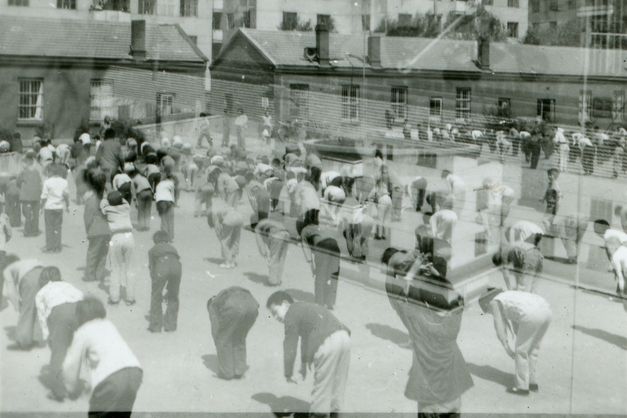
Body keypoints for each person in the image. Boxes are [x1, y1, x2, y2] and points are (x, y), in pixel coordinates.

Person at [266, 291, 351, 417]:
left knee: (322, 385)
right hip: (344, 337)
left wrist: (288, 372)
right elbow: (306, 340)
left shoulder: (291, 313)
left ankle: (318, 414)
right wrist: (304, 364)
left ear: (285, 304)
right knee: (338, 382)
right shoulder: (306, 308)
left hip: (327, 343)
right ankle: (335, 413)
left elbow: (290, 343)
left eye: (275, 312)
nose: (275, 317)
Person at [62, 297, 143, 417]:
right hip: (134, 372)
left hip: (111, 380)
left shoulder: (83, 331)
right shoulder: (108, 324)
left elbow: (71, 364)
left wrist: (70, 388)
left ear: (80, 316)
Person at [479, 288, 552, 395]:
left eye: (487, 311)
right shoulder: (508, 296)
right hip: (546, 310)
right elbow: (517, 320)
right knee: (533, 348)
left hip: (532, 313)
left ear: (486, 303)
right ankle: (532, 382)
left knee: (521, 351)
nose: (490, 313)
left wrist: (507, 347)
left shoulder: (494, 302)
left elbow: (499, 326)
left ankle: (522, 387)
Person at [35, 267, 83, 401]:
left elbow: (42, 317)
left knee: (58, 353)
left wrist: (47, 336)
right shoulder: (67, 284)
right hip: (79, 311)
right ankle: (73, 387)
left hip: (60, 313)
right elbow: (81, 296)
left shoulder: (41, 292)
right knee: (75, 351)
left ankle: (59, 391)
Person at [207, 287, 259, 380]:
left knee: (223, 338)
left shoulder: (212, 305)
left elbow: (217, 332)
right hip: (252, 306)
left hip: (235, 307)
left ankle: (226, 372)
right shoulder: (227, 293)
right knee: (240, 337)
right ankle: (239, 370)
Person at [100, 191, 135, 305]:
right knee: (130, 268)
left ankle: (114, 297)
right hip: (129, 236)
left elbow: (102, 203)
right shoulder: (126, 207)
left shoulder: (108, 209)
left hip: (116, 237)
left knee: (115, 268)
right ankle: (130, 297)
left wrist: (107, 198)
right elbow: (124, 200)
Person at [2, 258, 45, 349]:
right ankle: (38, 338)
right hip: (45, 273)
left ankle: (24, 342)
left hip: (30, 278)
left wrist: (17, 306)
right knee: (40, 308)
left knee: (27, 311)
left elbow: (10, 292)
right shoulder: (26, 262)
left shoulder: (7, 270)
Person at [299, 223, 341, 310]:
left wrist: (312, 267)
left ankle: (319, 302)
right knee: (333, 275)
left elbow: (306, 249)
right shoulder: (320, 226)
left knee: (320, 276)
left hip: (322, 246)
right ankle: (330, 302)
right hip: (335, 246)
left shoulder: (304, 230)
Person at [147, 231, 182, 332]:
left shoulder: (152, 250)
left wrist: (156, 285)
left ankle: (156, 326)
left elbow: (152, 269)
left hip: (161, 267)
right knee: (173, 296)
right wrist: (168, 288)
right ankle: (171, 325)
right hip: (177, 268)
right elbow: (175, 261)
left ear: (155, 240)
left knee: (156, 296)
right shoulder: (173, 248)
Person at [82, 169, 111, 284]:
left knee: (92, 253)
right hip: (107, 230)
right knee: (103, 253)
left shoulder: (91, 200)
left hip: (95, 230)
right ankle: (99, 274)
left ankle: (90, 275)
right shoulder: (106, 199)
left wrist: (88, 230)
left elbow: (87, 218)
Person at [40, 163, 70, 253]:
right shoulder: (64, 182)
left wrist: (41, 207)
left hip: (49, 207)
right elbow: (66, 195)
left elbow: (44, 196)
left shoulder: (47, 182)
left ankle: (49, 247)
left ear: (50, 171)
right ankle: (57, 247)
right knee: (58, 227)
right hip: (59, 207)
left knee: (49, 227)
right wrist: (67, 206)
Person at [208, 197, 244, 269]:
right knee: (235, 240)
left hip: (230, 219)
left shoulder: (213, 212)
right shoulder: (223, 205)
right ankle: (233, 262)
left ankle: (227, 262)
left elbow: (217, 227)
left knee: (224, 241)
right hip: (239, 218)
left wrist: (220, 237)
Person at [254, 219, 290, 286]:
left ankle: (273, 281)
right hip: (286, 234)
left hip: (277, 234)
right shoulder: (269, 221)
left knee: (274, 258)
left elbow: (260, 243)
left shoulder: (257, 228)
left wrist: (263, 252)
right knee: (281, 258)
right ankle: (278, 279)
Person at [17, 150, 43, 237]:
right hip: (36, 196)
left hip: (26, 196)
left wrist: (23, 189)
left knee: (27, 214)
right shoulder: (37, 171)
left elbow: (18, 182)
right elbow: (40, 183)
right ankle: (35, 231)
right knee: (35, 214)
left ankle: (27, 231)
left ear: (27, 162)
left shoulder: (23, 172)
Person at [605, 237, 627, 312]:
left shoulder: (616, 256)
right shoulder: (623, 249)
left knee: (622, 279)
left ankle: (621, 296)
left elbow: (620, 276)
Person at [155, 165, 177, 241]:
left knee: (163, 220)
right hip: (169, 201)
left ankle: (165, 238)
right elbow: (173, 194)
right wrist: (173, 203)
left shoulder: (159, 184)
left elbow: (156, 195)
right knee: (170, 220)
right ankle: (171, 237)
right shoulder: (171, 183)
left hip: (160, 201)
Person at [130, 166, 152, 231]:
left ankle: (141, 226)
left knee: (141, 210)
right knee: (147, 210)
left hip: (142, 193)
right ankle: (147, 225)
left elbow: (133, 191)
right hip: (149, 192)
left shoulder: (133, 180)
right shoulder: (143, 177)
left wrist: (134, 200)